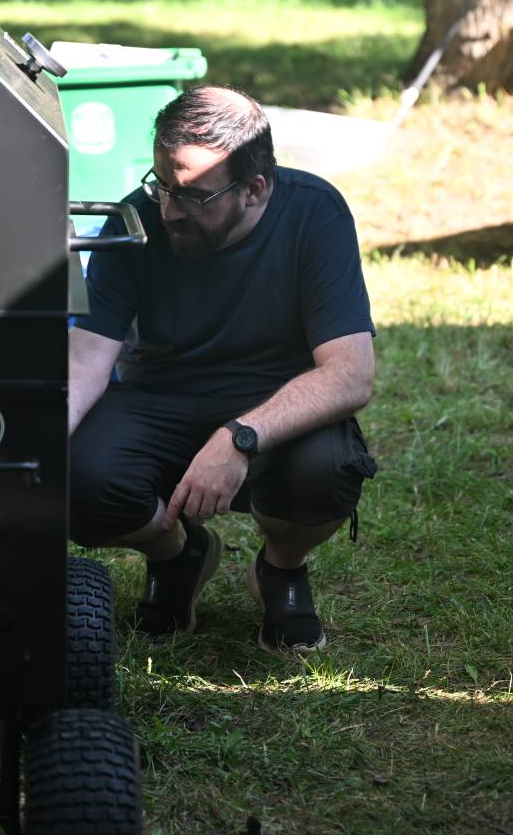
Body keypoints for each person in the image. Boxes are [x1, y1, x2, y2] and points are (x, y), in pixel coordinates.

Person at [68, 85, 377, 655]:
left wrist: (237, 439)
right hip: (159, 397)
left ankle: (282, 568)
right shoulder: (135, 219)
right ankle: (178, 553)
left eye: (193, 196)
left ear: (255, 189)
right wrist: (39, 441)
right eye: (160, 185)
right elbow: (87, 356)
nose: (169, 210)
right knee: (72, 478)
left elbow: (351, 374)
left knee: (326, 470)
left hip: (275, 402)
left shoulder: (315, 212)